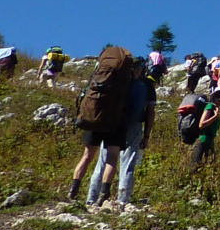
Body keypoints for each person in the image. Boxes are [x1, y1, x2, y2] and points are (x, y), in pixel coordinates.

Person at [89, 53, 160, 210]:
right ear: (141, 70)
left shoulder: (118, 81)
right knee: (127, 162)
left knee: (103, 161)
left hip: (112, 122)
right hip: (134, 125)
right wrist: (147, 135)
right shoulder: (146, 84)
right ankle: (122, 199)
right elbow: (150, 111)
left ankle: (91, 198)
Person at [68, 46, 134, 202]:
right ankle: (104, 195)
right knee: (112, 157)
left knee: (87, 156)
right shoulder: (125, 73)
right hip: (115, 119)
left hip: (94, 114)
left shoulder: (100, 69)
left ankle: (73, 191)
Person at [190, 87, 220, 169]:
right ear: (214, 96)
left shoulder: (215, 109)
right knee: (194, 168)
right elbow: (201, 124)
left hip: (209, 142)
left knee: (208, 167)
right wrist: (215, 116)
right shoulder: (210, 106)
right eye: (218, 96)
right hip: (203, 141)